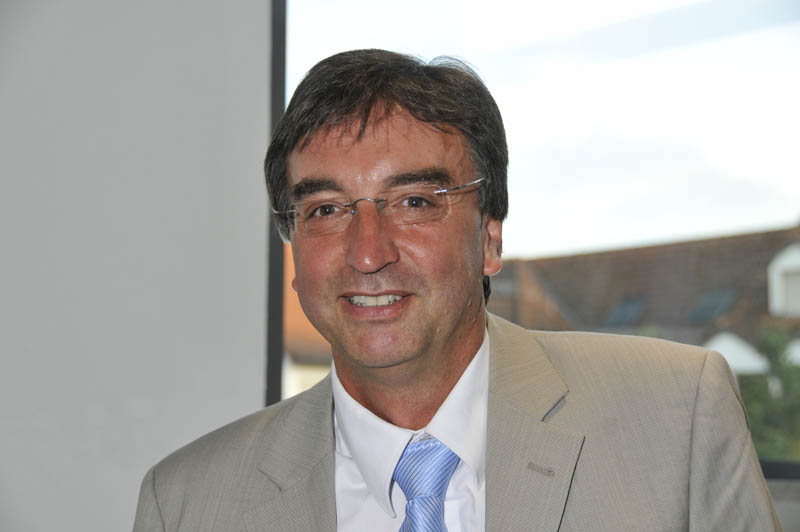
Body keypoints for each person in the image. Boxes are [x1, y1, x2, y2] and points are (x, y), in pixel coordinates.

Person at [133, 49, 781, 531]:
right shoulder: (187, 505)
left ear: (490, 237)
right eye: (326, 209)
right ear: (295, 249)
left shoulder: (676, 419)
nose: (368, 252)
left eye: (414, 201)